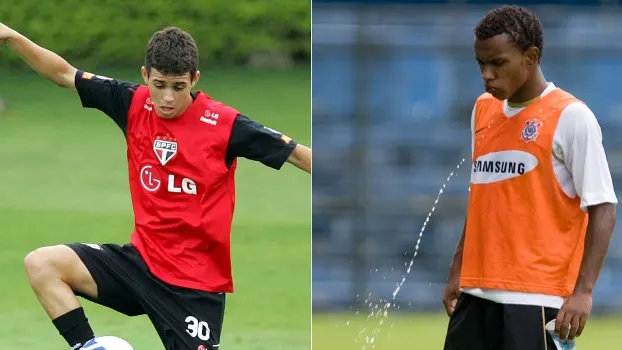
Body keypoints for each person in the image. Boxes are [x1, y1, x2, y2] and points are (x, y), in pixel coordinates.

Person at [0, 23, 311, 350]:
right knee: (42, 264)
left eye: (178, 87)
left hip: (195, 287)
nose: (167, 97)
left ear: (194, 80)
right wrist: (10, 36)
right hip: (139, 266)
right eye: (159, 85)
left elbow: (300, 156)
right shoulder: (132, 102)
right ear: (145, 74)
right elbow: (65, 74)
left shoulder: (225, 125)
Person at [442, 5, 617, 350]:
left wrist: (583, 292)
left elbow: (603, 208)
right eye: (481, 63)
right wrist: (458, 267)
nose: (486, 75)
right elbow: (483, 196)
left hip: (536, 299)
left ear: (530, 56)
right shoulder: (483, 109)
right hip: (475, 295)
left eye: (498, 63)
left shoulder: (571, 117)